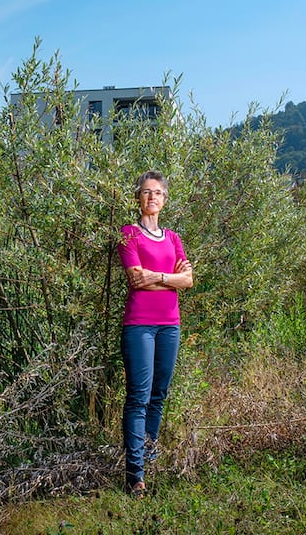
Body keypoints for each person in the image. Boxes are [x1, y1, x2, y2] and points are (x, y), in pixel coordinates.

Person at [116, 170, 193, 497]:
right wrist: (169, 277)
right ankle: (135, 475)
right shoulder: (129, 234)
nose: (152, 198)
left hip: (169, 326)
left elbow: (188, 280)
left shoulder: (174, 238)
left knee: (158, 396)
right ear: (138, 198)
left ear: (164, 199)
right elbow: (135, 279)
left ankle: (146, 458)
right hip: (139, 326)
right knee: (139, 397)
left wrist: (156, 276)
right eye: (146, 192)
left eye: (157, 193)